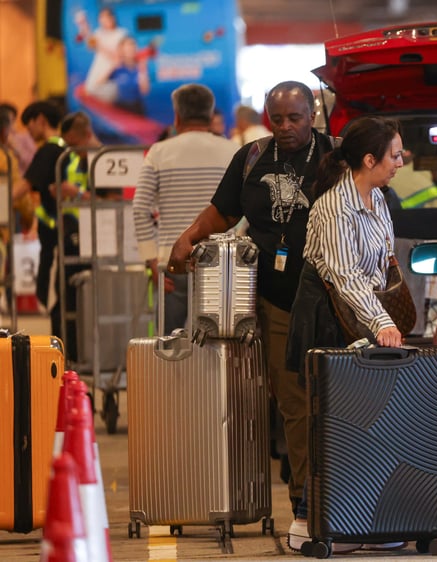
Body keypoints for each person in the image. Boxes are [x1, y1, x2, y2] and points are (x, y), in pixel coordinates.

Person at [167, 80, 335, 549]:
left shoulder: (335, 156)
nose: (284, 127)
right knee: (293, 401)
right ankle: (305, 502)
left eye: (294, 118)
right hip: (273, 299)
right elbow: (222, 212)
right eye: (276, 118)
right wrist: (188, 237)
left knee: (332, 400)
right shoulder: (252, 157)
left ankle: (337, 494)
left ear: (312, 113)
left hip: (333, 301)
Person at [283, 115, 407, 553]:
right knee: (333, 424)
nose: (400, 162)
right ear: (369, 160)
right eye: (395, 155)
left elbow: (381, 262)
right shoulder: (335, 207)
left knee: (364, 422)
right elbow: (345, 278)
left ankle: (363, 521)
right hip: (327, 319)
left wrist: (380, 316)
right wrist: (383, 322)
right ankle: (307, 523)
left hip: (359, 317)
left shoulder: (378, 198)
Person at [132, 84, 238, 333]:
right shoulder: (233, 152)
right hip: (221, 264)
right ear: (211, 115)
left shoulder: (159, 152)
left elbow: (140, 208)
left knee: (168, 342)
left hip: (172, 263)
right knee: (218, 338)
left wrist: (152, 261)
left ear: (177, 116)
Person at [13, 107, 99, 354]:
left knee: (58, 294)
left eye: (29, 124)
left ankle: (66, 352)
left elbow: (25, 185)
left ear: (40, 120)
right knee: (66, 296)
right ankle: (69, 351)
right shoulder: (68, 154)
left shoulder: (54, 150)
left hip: (63, 237)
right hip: (69, 234)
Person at [75, 7, 129, 102]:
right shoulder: (99, 32)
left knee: (109, 94)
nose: (105, 21)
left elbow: (118, 56)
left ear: (112, 18)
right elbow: (91, 46)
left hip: (113, 69)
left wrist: (99, 46)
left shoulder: (121, 33)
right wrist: (85, 28)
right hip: (99, 66)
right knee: (90, 90)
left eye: (107, 17)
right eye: (102, 19)